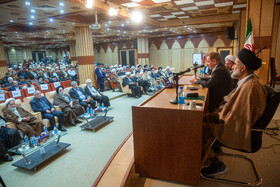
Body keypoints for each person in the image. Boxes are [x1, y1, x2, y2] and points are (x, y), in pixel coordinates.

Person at [201, 48, 267, 177]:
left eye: (235, 64)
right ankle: (213, 149)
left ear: (243, 68)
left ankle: (217, 164)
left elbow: (238, 116)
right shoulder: (247, 81)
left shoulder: (250, 87)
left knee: (198, 127)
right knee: (203, 117)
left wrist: (214, 116)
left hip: (239, 129)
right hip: (233, 120)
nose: (231, 66)